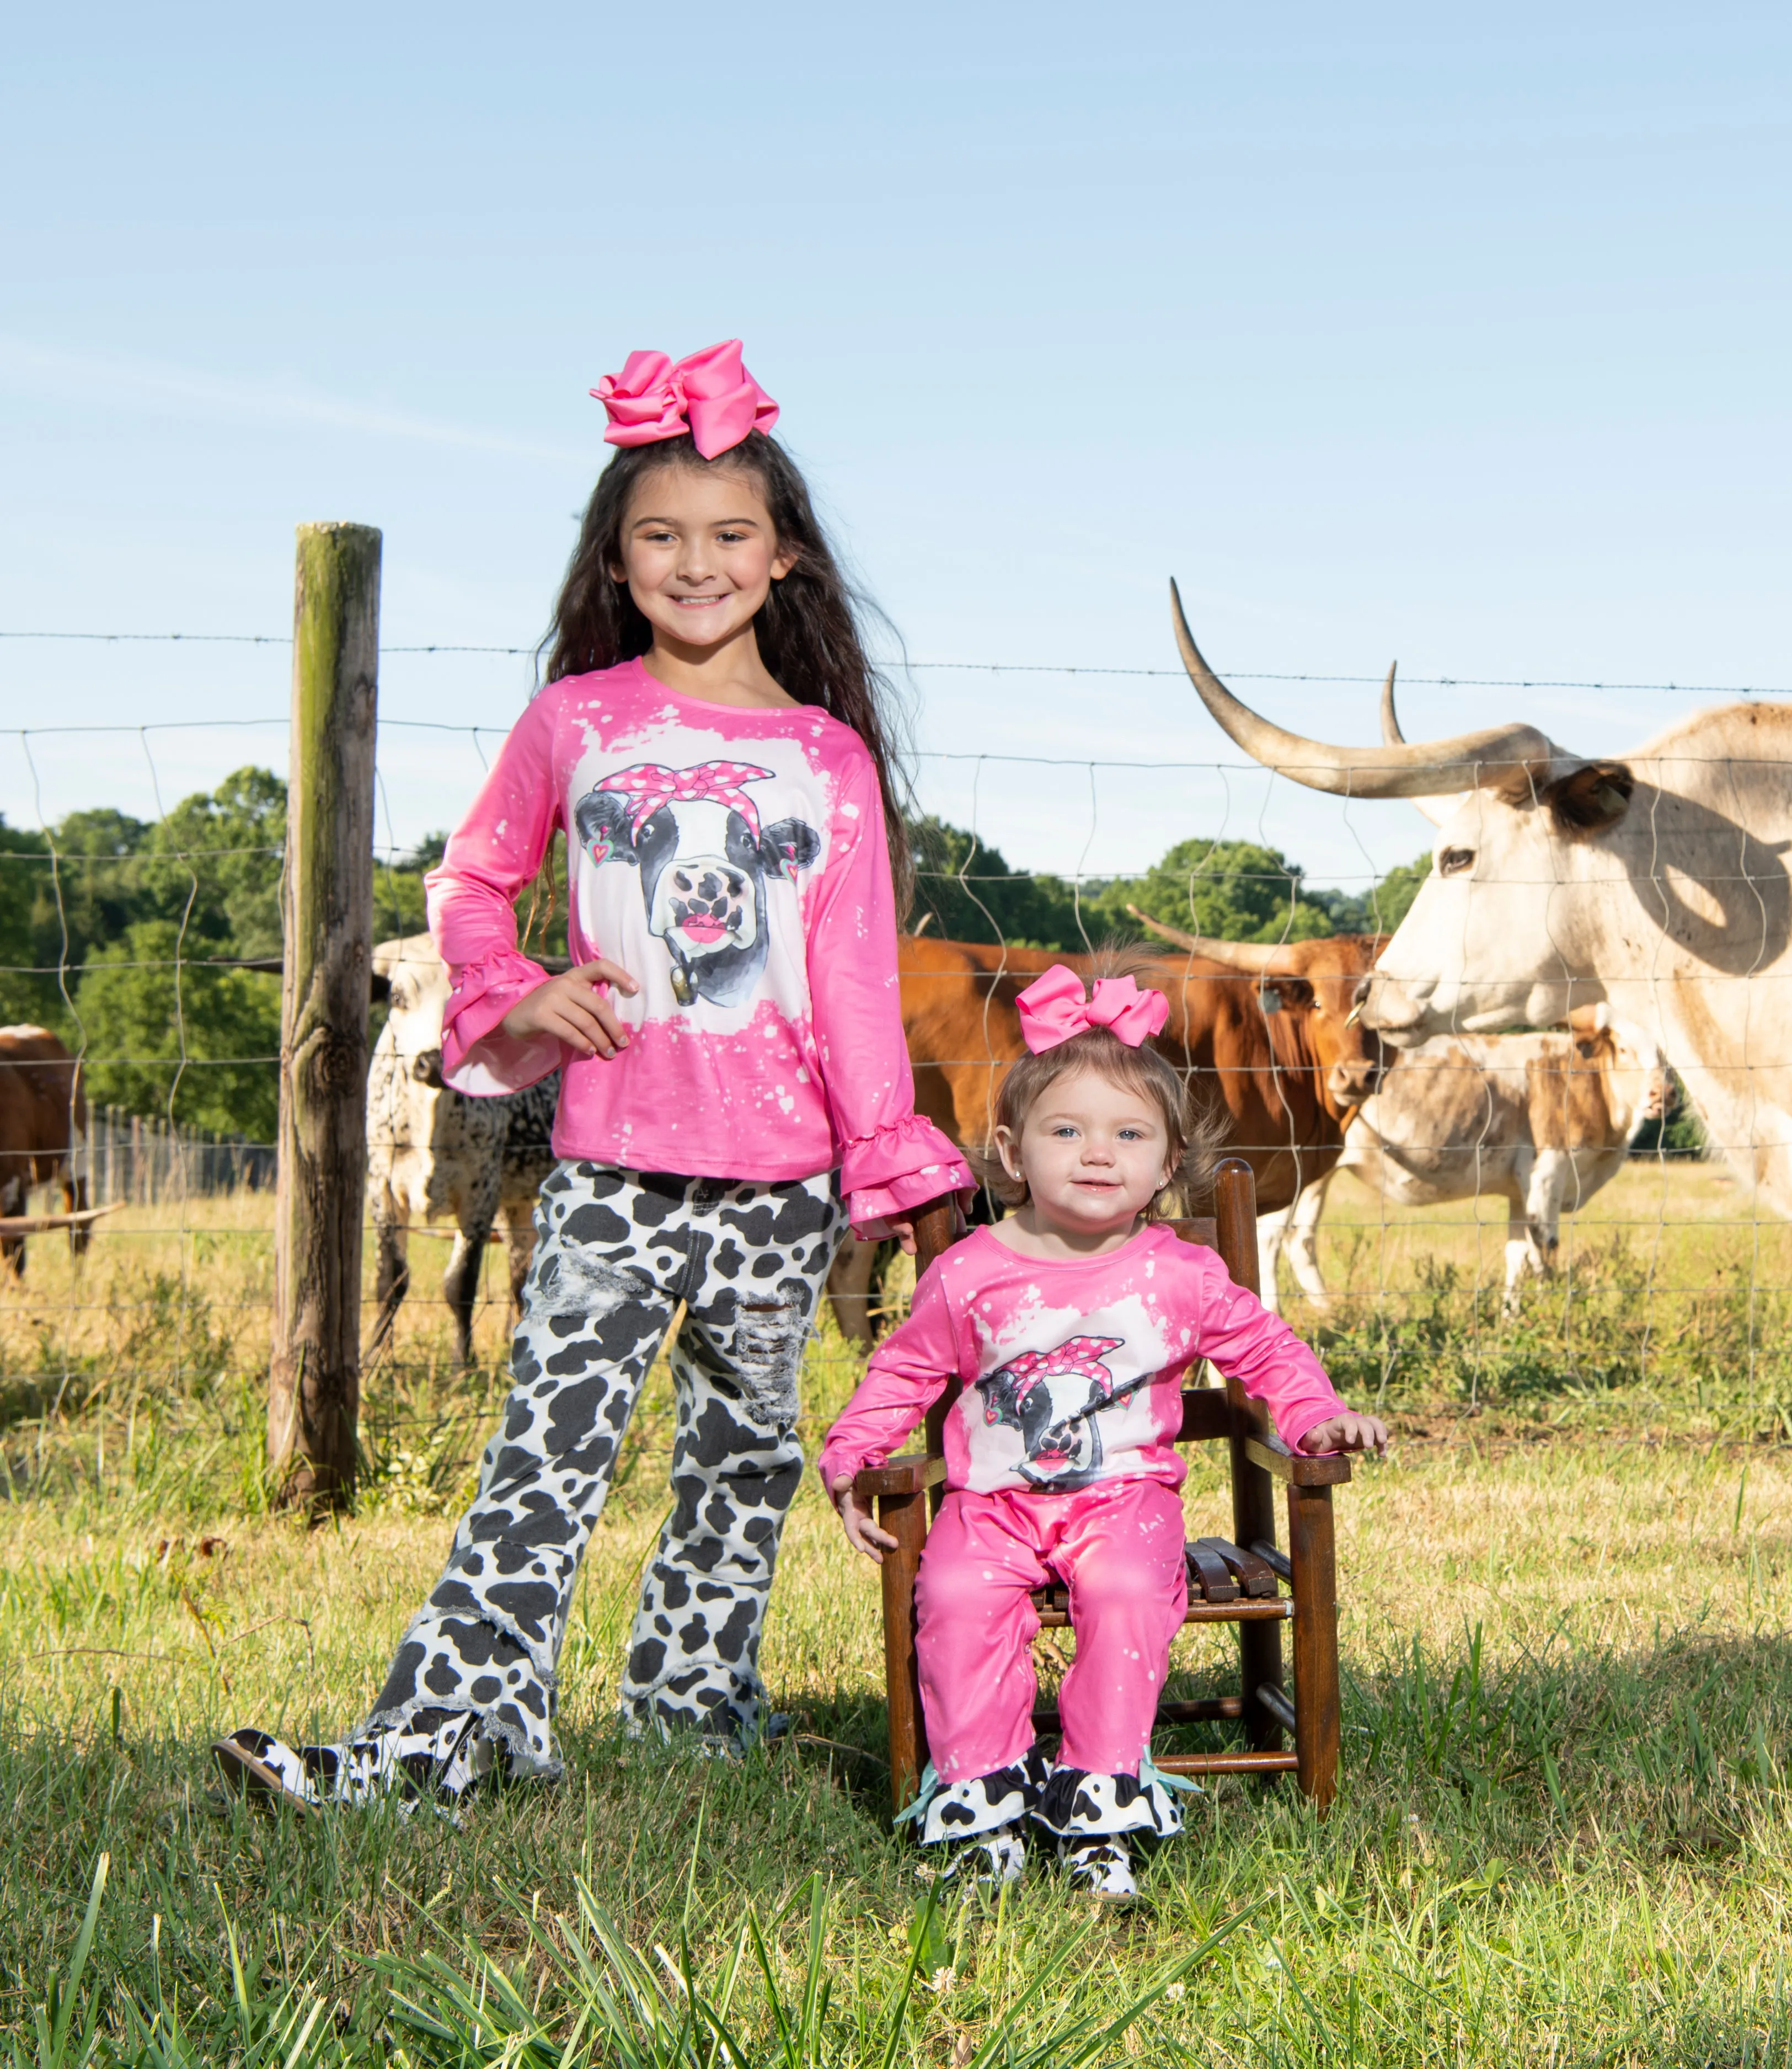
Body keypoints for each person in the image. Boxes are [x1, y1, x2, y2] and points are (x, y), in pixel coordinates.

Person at [216, 341, 975, 1811]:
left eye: (730, 533)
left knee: (746, 1461)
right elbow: (473, 882)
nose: (698, 561)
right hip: (614, 1171)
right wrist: (517, 989)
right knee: (541, 1461)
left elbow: (858, 984)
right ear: (618, 561)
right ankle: (436, 1743)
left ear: (784, 555)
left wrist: (885, 1158)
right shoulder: (577, 722)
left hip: (784, 1187)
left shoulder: (825, 760)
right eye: (661, 535)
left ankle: (694, 1707)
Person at [821, 964, 1388, 1900]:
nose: (1097, 1153)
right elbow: (904, 1368)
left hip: (1124, 1502)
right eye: (1066, 1130)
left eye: (1129, 1134)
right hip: (990, 1505)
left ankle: (1100, 1802)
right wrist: (851, 1454)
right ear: (1012, 1150)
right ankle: (983, 1804)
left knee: (1128, 1589)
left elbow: (1265, 1347)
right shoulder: (970, 1272)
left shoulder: (1181, 1274)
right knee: (955, 1595)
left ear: (1167, 1164)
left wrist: (1317, 1412)